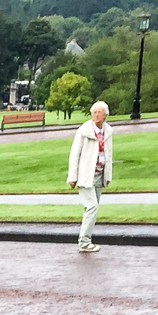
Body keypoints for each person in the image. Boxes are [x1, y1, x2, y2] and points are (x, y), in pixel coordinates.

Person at [65, 101, 113, 253]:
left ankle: (87, 240)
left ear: (105, 115)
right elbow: (74, 154)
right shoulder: (84, 130)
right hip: (86, 175)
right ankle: (84, 242)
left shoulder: (108, 131)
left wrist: (108, 175)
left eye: (99, 112)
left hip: (100, 175)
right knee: (91, 207)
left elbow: (109, 154)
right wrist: (72, 177)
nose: (96, 114)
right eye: (94, 112)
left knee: (93, 208)